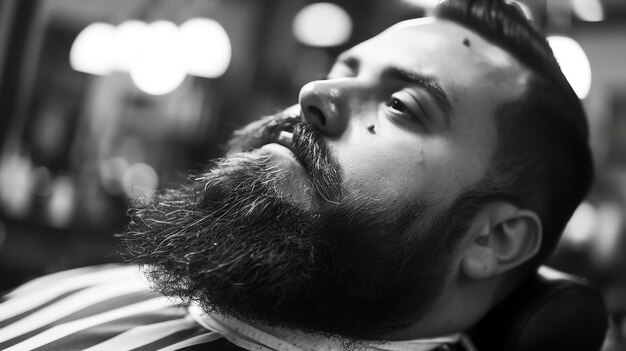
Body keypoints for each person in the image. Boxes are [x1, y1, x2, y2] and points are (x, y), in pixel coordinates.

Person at [0, 0, 593, 350]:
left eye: (402, 106)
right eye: (342, 71)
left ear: (493, 239)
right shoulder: (139, 285)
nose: (313, 93)